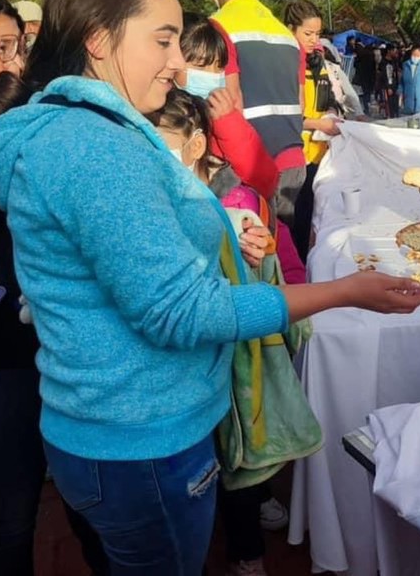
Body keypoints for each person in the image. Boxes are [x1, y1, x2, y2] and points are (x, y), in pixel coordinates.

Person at [0, 0, 420, 574]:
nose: (178, 62)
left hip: (110, 424)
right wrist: (346, 291)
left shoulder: (85, 131)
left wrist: (226, 224)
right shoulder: (94, 149)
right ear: (99, 40)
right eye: (163, 41)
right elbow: (184, 311)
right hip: (143, 437)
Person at [0, 0, 108, 576]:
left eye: (18, 45)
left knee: (91, 512)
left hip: (48, 341)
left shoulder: (25, 117)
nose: (14, 61)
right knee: (6, 516)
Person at [145, 89, 302, 576]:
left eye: (161, 146)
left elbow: (272, 255)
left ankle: (247, 548)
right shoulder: (147, 202)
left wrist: (260, 251)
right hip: (182, 374)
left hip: (235, 361)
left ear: (194, 147)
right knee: (215, 461)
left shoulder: (236, 199)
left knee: (238, 454)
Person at [207, 0, 307, 229]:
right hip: (291, 160)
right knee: (287, 254)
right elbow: (301, 101)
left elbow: (230, 98)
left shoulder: (215, 29)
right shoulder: (287, 36)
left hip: (244, 165)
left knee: (254, 257)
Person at [176, 15, 283, 208]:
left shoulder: (223, 116)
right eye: (200, 66)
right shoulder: (157, 117)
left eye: (219, 67)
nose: (212, 76)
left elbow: (266, 180)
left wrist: (229, 123)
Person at [283, 0, 343, 258]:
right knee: (290, 222)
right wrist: (318, 124)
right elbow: (287, 116)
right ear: (289, 29)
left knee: (310, 217)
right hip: (292, 157)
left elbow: (330, 100)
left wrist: (331, 114)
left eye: (317, 34)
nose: (313, 40)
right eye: (307, 34)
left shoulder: (318, 62)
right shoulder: (283, 65)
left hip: (318, 155)